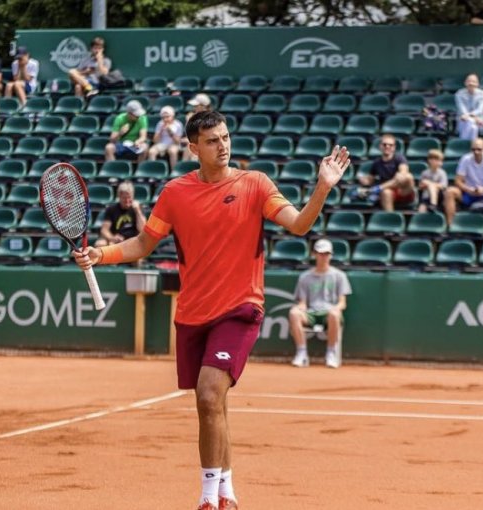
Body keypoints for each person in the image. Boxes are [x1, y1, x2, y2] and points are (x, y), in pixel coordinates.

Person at [72, 111, 350, 510]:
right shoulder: (175, 192)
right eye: (212, 140)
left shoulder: (255, 184)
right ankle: (227, 492)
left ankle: (206, 498)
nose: (223, 145)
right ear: (192, 148)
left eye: (225, 137)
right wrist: (101, 253)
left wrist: (322, 188)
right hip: (193, 312)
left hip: (241, 307)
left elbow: (300, 225)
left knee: (208, 393)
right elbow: (142, 245)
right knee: (214, 405)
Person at [289, 238, 351, 369]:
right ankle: (302, 353)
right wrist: (299, 308)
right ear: (314, 254)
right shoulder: (304, 277)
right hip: (310, 313)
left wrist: (335, 309)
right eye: (321, 253)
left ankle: (331, 353)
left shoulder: (339, 276)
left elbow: (342, 303)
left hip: (329, 314)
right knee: (294, 313)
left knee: (334, 314)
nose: (323, 257)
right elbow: (303, 303)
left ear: (331, 255)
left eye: (326, 254)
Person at [443, 138, 483, 225]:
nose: (476, 152)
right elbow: (458, 180)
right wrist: (468, 189)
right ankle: (451, 224)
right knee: (449, 192)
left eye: (479, 149)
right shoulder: (465, 159)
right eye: (473, 149)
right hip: (469, 192)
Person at [356, 134, 414, 211]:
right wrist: (364, 180)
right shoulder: (377, 162)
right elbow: (370, 179)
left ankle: (377, 189)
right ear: (380, 146)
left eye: (390, 145)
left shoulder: (399, 158)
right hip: (387, 192)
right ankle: (390, 219)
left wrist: (379, 188)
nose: (387, 147)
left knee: (407, 176)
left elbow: (403, 173)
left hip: (403, 191)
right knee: (386, 192)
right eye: (384, 144)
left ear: (394, 147)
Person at [95, 181, 146, 248]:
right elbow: (104, 230)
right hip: (117, 241)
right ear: (119, 197)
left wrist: (137, 211)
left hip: (133, 241)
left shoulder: (137, 209)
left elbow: (142, 229)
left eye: (129, 198)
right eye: (124, 198)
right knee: (100, 244)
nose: (127, 201)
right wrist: (112, 238)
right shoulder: (111, 209)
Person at [148, 106, 185, 171]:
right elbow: (155, 140)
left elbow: (178, 141)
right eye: (163, 117)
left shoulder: (178, 124)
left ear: (172, 116)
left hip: (174, 144)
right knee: (151, 151)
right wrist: (160, 131)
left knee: (172, 151)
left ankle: (174, 172)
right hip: (162, 144)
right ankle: (153, 172)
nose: (165, 119)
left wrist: (170, 132)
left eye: (167, 117)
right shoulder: (160, 124)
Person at [455, 73, 483, 140]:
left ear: (478, 84)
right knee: (473, 127)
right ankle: (472, 145)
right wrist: (472, 118)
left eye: (473, 82)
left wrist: (471, 116)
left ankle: (463, 143)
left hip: (479, 120)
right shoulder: (459, 93)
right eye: (469, 81)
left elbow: (480, 109)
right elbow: (461, 108)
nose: (471, 83)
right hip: (463, 119)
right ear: (465, 83)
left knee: (472, 124)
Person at [183, 94, 213, 161]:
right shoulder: (191, 116)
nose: (194, 108)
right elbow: (189, 133)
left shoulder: (211, 117)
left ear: (203, 106)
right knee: (189, 149)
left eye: (196, 106)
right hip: (197, 143)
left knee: (194, 156)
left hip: (208, 144)